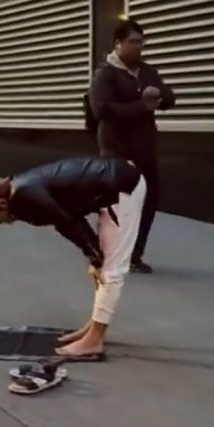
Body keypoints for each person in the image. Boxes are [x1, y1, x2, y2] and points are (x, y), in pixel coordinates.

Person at [0, 156, 146, 359]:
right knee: (102, 267)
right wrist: (93, 256)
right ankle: (93, 327)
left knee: (110, 272)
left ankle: (93, 341)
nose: (7, 224)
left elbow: (66, 222)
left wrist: (95, 258)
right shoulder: (19, 186)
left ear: (1, 203)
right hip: (114, 181)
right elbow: (68, 217)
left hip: (121, 188)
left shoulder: (25, 196)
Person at [89, 19, 175, 274]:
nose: (139, 47)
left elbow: (170, 97)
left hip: (145, 149)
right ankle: (105, 252)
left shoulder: (147, 71)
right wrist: (141, 106)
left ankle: (134, 255)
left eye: (141, 42)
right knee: (118, 204)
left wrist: (159, 94)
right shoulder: (105, 74)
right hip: (117, 150)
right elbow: (100, 109)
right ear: (118, 44)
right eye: (133, 42)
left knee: (148, 201)